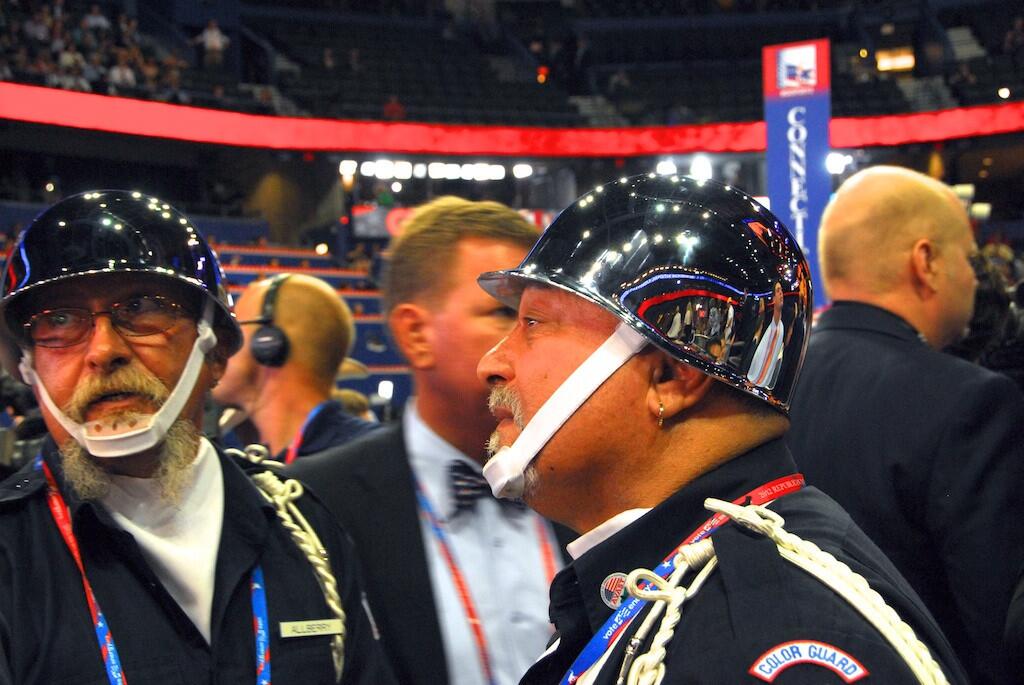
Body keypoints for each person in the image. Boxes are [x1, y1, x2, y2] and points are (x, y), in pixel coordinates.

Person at [475, 174, 966, 684]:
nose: (492, 362)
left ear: (670, 375)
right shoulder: (689, 583)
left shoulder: (782, 631)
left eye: (534, 323)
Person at [0, 191, 395, 685]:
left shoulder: (307, 527)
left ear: (215, 351)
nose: (103, 350)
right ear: (26, 366)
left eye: (141, 308)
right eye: (58, 321)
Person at [287, 197, 569, 685]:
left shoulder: (601, 478)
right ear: (416, 334)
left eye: (545, 319)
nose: (538, 342)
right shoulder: (317, 505)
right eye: (506, 314)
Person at [785, 165, 1024, 685]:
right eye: (967, 257)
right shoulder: (972, 402)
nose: (973, 276)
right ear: (927, 261)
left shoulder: (774, 382)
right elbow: (997, 631)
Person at [213, 273, 377, 463]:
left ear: (268, 343)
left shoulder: (368, 462)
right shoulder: (269, 466)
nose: (219, 344)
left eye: (235, 328)